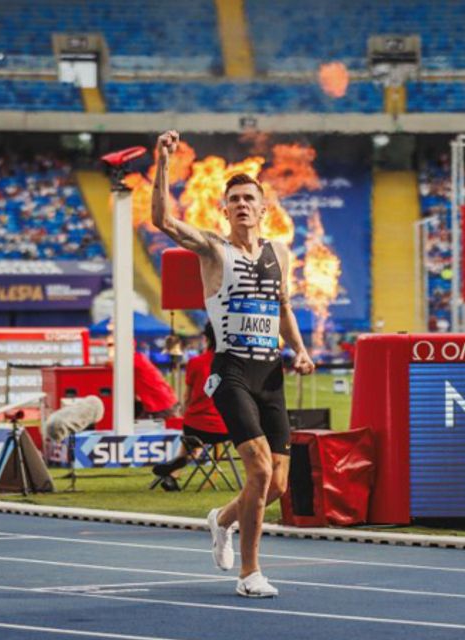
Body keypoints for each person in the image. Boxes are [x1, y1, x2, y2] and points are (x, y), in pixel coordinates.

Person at [153, 130, 315, 599]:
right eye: (235, 200)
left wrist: (300, 349)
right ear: (224, 209)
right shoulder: (211, 248)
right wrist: (163, 160)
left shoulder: (278, 252)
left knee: (279, 486)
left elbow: (283, 307)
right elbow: (163, 218)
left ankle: (221, 519)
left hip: (271, 372)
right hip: (233, 372)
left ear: (264, 209)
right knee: (259, 471)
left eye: (250, 198)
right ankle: (250, 574)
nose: (243, 205)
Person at [150, 323, 231, 490]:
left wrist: (185, 412)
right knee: (196, 443)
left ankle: (173, 470)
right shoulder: (231, 363)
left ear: (206, 339)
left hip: (196, 425)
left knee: (192, 441)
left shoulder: (196, 362)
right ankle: (173, 472)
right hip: (225, 428)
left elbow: (187, 396)